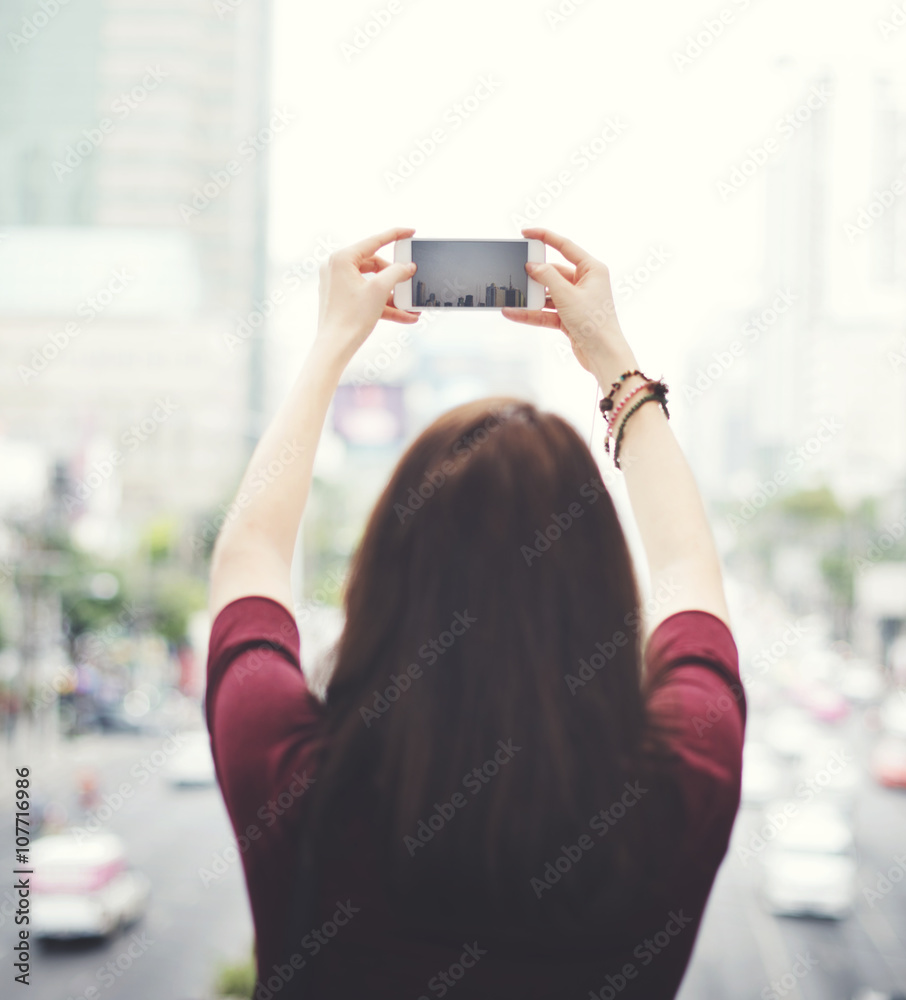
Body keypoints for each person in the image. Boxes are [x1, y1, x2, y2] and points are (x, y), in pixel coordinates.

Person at [205, 226, 745, 1000]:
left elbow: (249, 555)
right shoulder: (679, 786)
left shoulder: (295, 785)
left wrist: (329, 345)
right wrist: (611, 358)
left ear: (381, 582)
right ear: (601, 593)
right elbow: (689, 567)